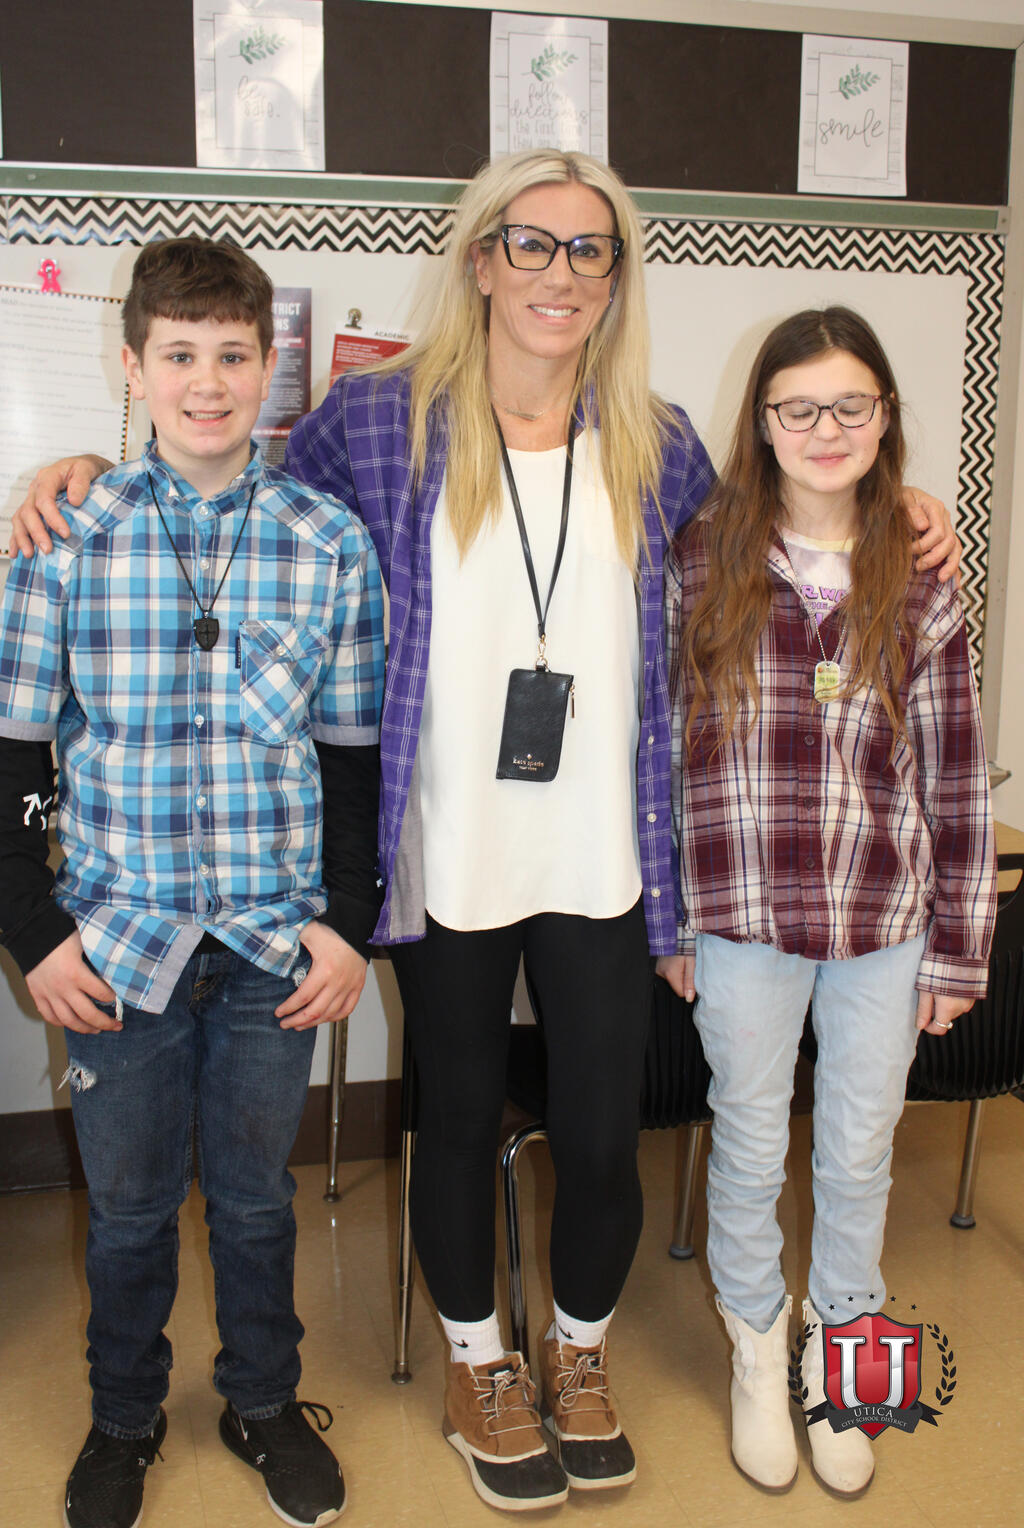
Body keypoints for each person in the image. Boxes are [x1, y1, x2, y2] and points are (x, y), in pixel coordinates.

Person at [8, 153, 962, 1518]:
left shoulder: (659, 441)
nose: (559, 273)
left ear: (615, 279)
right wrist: (90, 465)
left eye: (590, 250)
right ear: (481, 260)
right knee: (453, 1121)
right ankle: (478, 1367)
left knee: (600, 1133)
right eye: (532, 244)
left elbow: (773, 538)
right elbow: (230, 490)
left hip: (605, 857)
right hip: (443, 854)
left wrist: (900, 502)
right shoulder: (377, 421)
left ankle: (576, 1353)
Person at [0, 238, 386, 1528]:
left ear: (269, 366)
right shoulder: (64, 538)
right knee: (127, 1212)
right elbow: (10, 760)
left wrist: (348, 924)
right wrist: (34, 933)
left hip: (275, 950)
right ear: (133, 367)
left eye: (231, 355)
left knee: (258, 1203)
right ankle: (123, 1420)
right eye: (179, 355)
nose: (206, 383)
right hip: (116, 947)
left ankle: (262, 1403)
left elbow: (352, 761)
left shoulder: (328, 544)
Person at [657, 306, 996, 1500]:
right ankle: (758, 1346)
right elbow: (660, 749)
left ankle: (844, 1354)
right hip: (739, 914)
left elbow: (955, 772)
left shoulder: (921, 572)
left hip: (880, 920)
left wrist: (957, 952)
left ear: (884, 416)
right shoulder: (700, 558)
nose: (825, 428)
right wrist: (669, 920)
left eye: (850, 405)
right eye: (797, 408)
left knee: (858, 1150)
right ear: (761, 422)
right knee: (750, 1143)